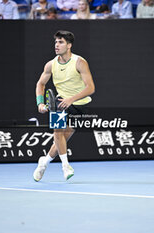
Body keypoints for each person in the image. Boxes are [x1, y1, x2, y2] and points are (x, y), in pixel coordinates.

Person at [34, 30, 95, 182]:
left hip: (80, 105)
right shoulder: (50, 65)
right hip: (60, 104)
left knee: (61, 140)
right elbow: (40, 84)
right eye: (56, 42)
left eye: (60, 42)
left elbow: (90, 88)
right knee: (58, 132)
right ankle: (66, 166)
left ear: (69, 45)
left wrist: (72, 99)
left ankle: (44, 162)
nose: (57, 45)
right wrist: (40, 102)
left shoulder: (80, 62)